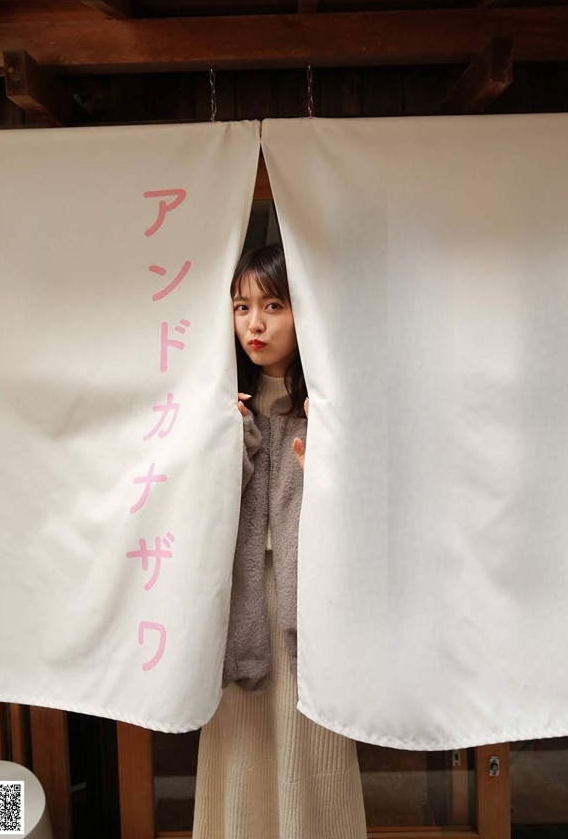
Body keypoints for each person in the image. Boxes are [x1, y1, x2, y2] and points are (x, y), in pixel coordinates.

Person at [192, 244, 367, 839]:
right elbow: (198, 508)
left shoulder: (331, 405)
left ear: (304, 312)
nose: (254, 324)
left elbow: (363, 511)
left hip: (306, 595)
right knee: (240, 745)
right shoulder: (216, 404)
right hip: (239, 595)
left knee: (309, 738)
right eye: (241, 307)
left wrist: (327, 457)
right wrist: (223, 438)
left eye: (273, 305)